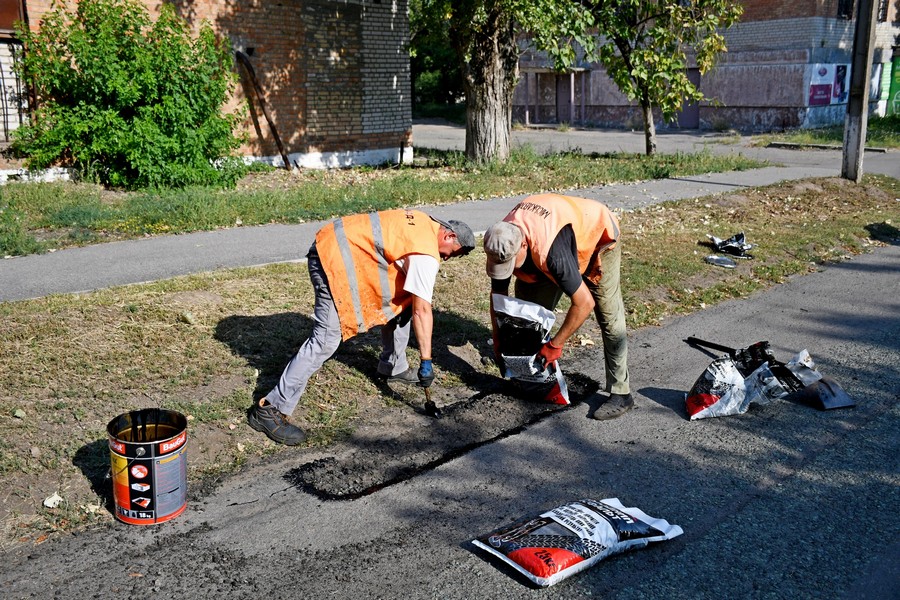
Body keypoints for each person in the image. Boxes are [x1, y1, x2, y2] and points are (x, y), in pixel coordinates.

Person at [248, 209, 475, 445]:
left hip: (340, 243)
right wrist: (426, 361)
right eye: (450, 254)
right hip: (331, 258)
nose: (445, 258)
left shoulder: (425, 222)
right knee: (325, 340)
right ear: (448, 236)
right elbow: (422, 311)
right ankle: (270, 409)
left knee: (404, 302)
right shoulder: (426, 254)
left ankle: (393, 366)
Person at [483, 193, 632, 420]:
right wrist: (498, 340)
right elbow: (499, 299)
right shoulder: (500, 241)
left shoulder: (553, 254)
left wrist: (555, 345)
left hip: (595, 234)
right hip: (549, 237)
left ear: (523, 244)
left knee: (609, 317)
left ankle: (621, 393)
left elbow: (584, 303)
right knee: (525, 316)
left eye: (512, 264)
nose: (509, 270)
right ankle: (534, 379)